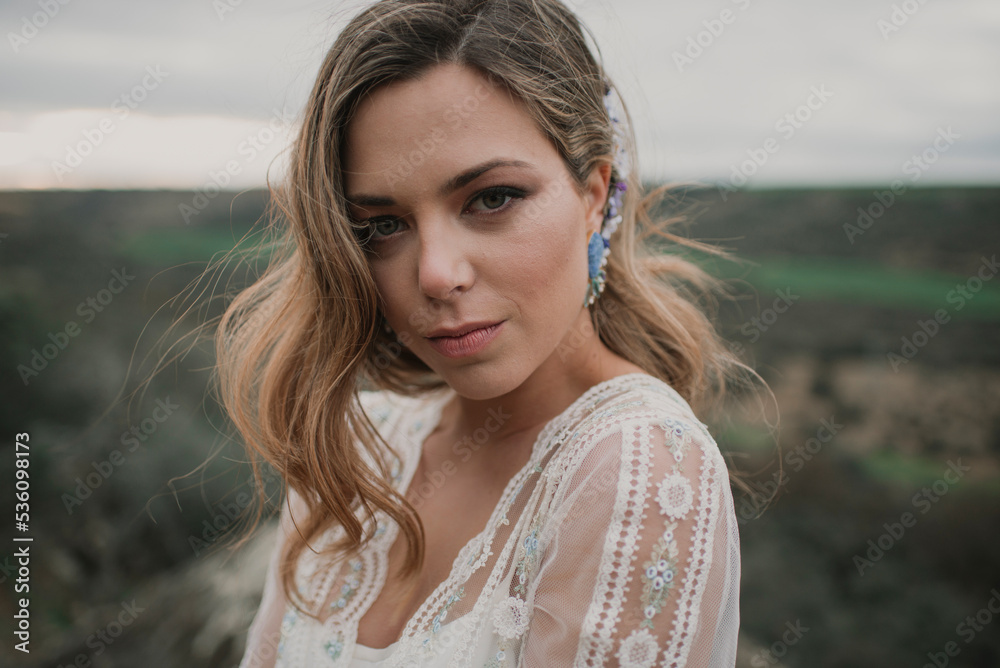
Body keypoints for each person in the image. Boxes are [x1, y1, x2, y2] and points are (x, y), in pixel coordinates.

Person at [230, 0, 758, 665]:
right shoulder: (360, 451)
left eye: (492, 198)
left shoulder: (635, 462)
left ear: (594, 193)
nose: (435, 274)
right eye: (382, 225)